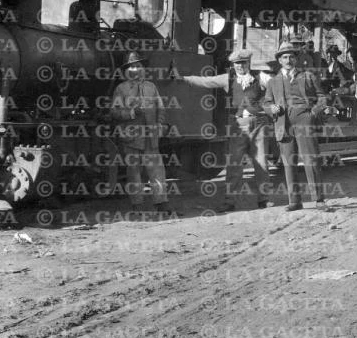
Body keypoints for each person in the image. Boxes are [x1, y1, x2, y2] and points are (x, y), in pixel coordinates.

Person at [177, 49, 271, 210]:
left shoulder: (261, 77)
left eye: (243, 63)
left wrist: (269, 105)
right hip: (237, 126)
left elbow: (277, 86)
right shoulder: (227, 79)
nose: (240, 66)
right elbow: (206, 81)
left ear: (249, 63)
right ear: (233, 65)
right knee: (234, 165)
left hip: (258, 124)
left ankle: (264, 199)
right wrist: (182, 78)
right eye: (237, 63)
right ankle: (230, 201)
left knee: (261, 163)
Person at [263, 41, 335, 211]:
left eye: (291, 57)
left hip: (304, 120)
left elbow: (321, 97)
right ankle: (295, 201)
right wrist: (270, 108)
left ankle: (319, 200)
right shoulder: (273, 81)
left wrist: (313, 114)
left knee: (311, 159)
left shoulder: (308, 76)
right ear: (279, 60)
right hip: (283, 123)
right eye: (284, 57)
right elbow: (266, 103)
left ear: (296, 59)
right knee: (289, 163)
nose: (288, 60)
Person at [110, 51, 172, 217]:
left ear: (143, 68)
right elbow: (115, 112)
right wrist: (131, 113)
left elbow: (161, 108)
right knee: (134, 173)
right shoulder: (121, 89)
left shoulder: (151, 87)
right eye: (132, 67)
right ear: (127, 70)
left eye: (138, 66)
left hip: (151, 137)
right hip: (131, 138)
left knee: (157, 170)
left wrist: (159, 125)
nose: (136, 69)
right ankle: (137, 205)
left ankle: (161, 203)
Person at [321, 44, 356, 117]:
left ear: (337, 55)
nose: (332, 56)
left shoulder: (339, 65)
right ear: (327, 54)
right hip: (326, 86)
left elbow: (347, 75)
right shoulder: (324, 63)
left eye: (334, 54)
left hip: (335, 87)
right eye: (331, 54)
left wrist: (352, 78)